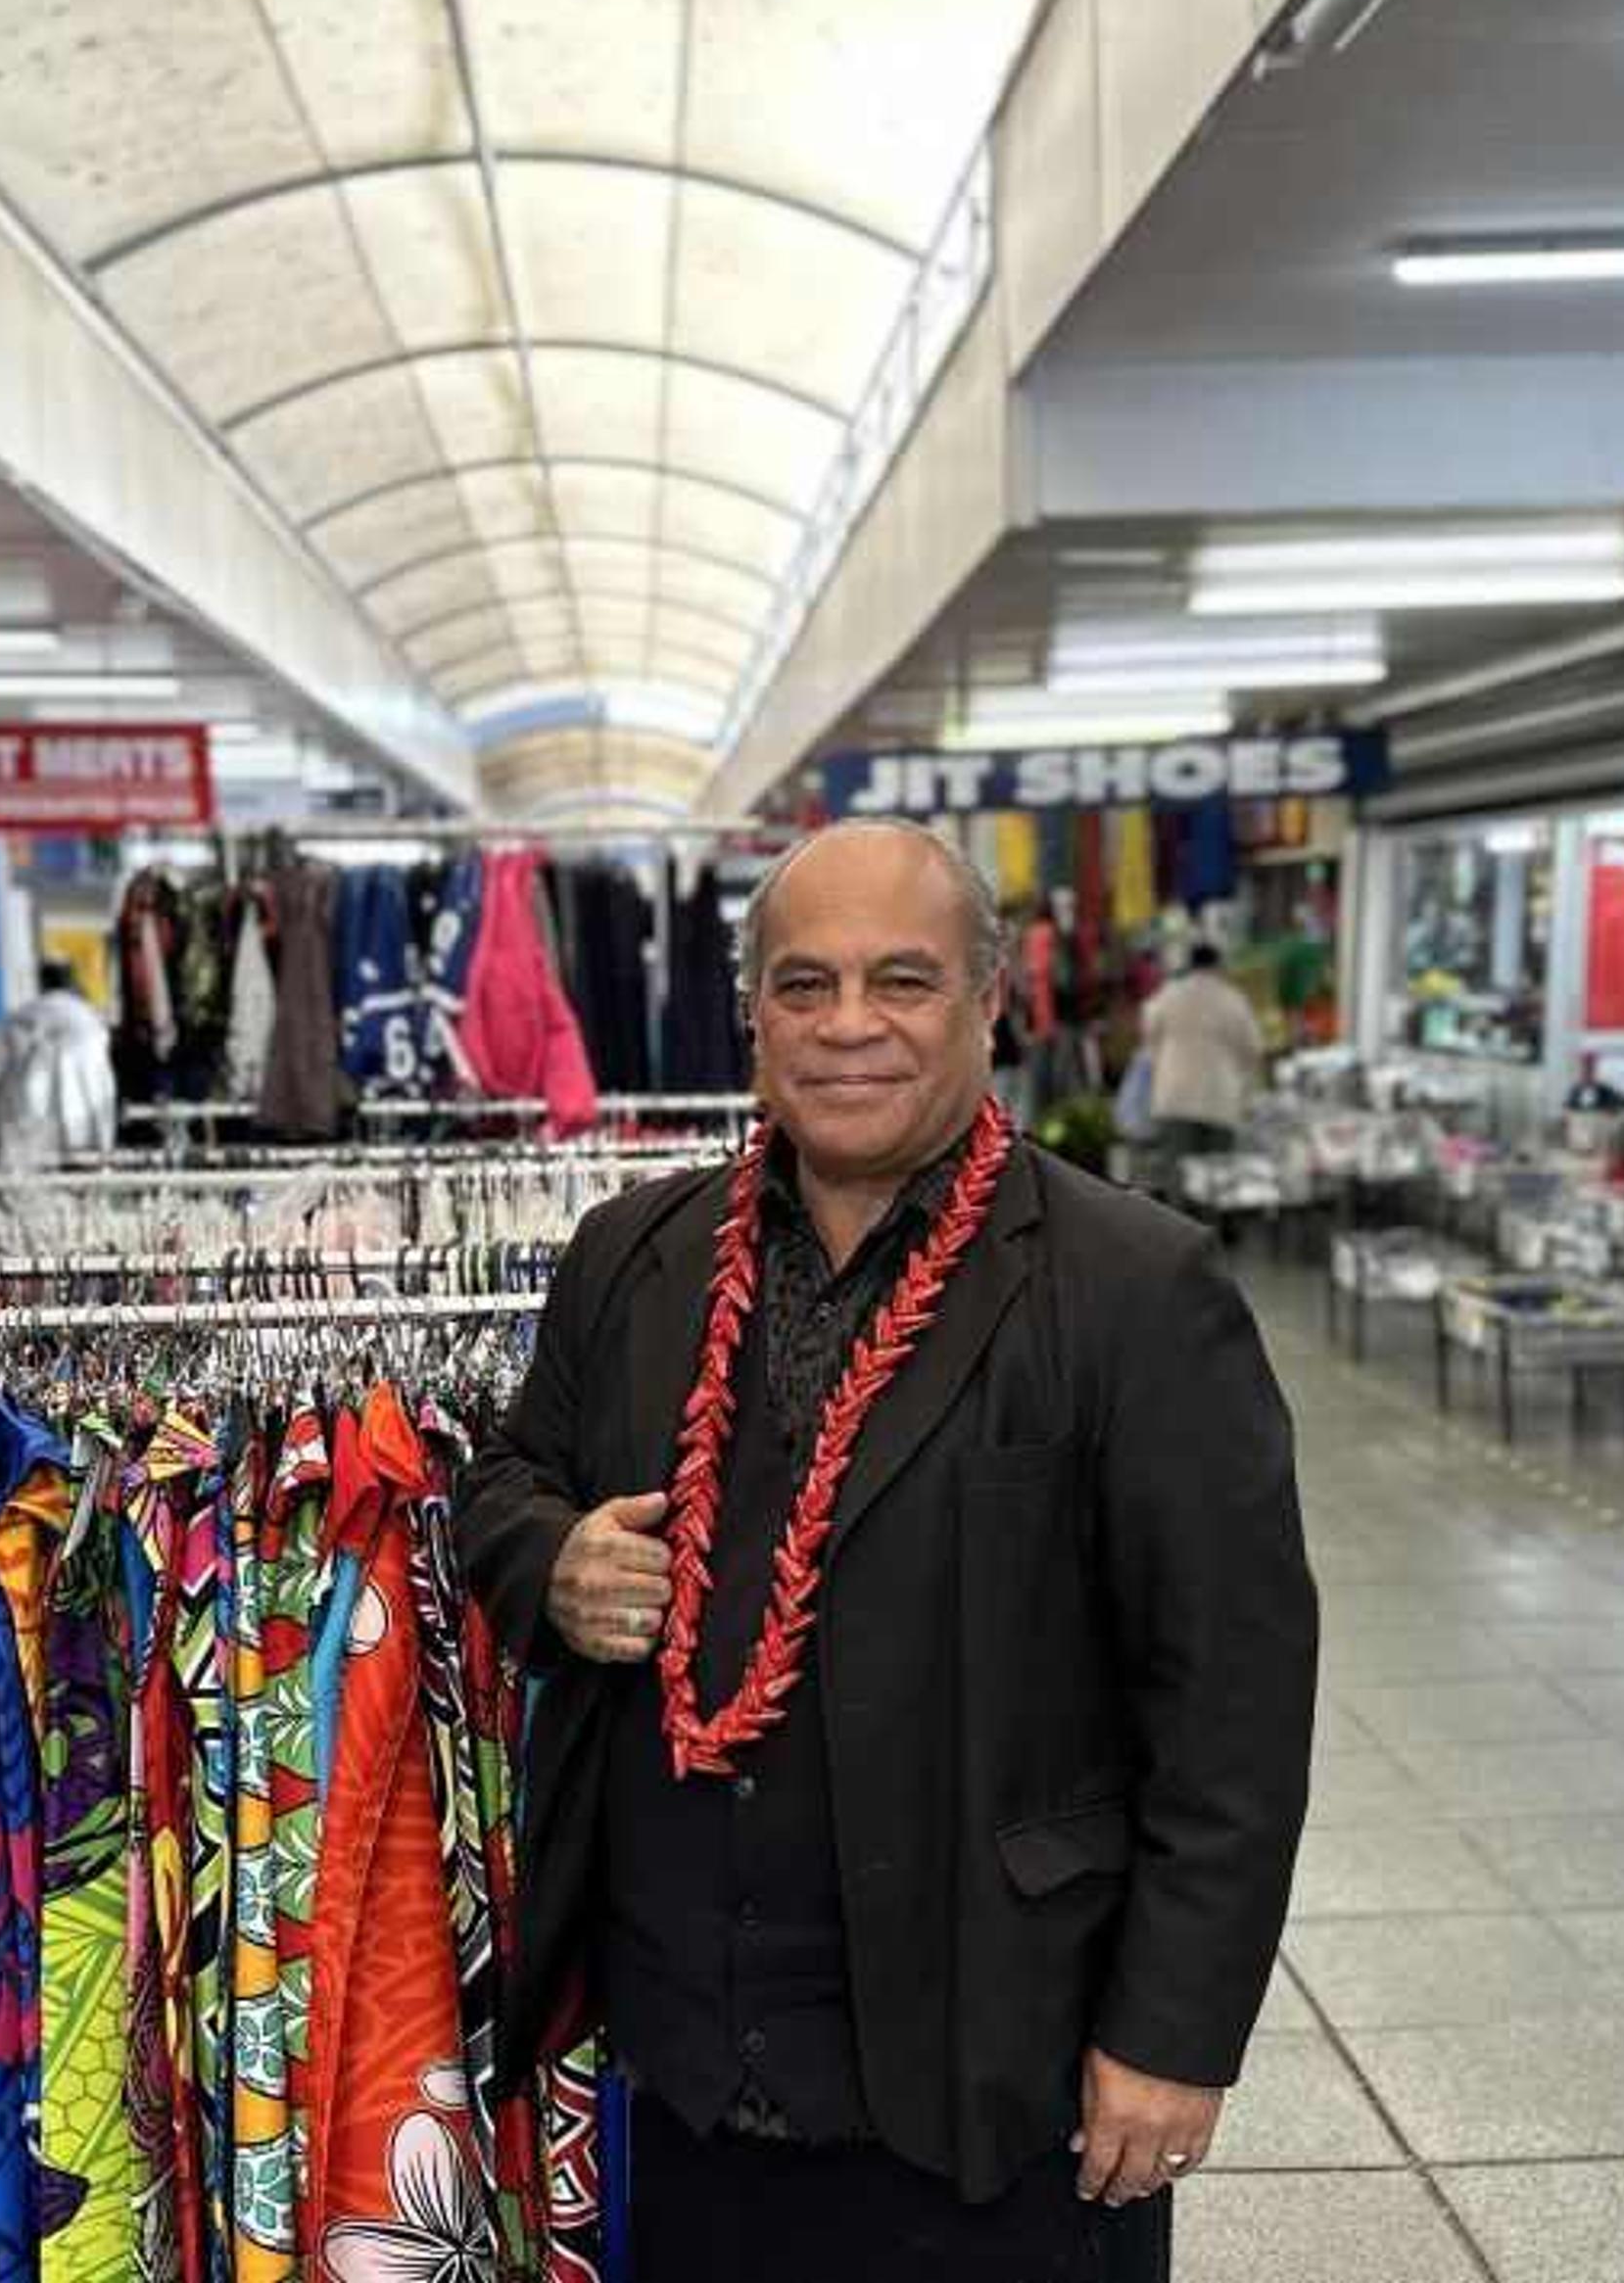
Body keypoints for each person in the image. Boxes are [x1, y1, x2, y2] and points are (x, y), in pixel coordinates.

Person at [455, 818, 1317, 2281]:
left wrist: (1169, 2037)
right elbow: (507, 1480)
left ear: (989, 1002)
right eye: (805, 985)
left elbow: (1231, 1704)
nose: (848, 1026)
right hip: (686, 2068)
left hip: (999, 2077)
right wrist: (555, 1559)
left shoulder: (1132, 1290)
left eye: (901, 982)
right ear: (755, 1017)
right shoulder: (631, 1255)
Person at [1138, 939, 1268, 1163]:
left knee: (1178, 1171)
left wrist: (1161, 1058)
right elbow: (1254, 1048)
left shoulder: (1169, 994)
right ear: (1218, 966)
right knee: (1215, 1178)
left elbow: (1149, 1034)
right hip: (1219, 1100)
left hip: (1174, 1096)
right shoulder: (1233, 1000)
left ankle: (1176, 1199)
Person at [0, 957, 119, 1168]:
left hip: (36, 1131)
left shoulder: (25, 1015)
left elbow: (1, 1064)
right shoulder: (89, 1018)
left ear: (42, 982)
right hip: (87, 1127)